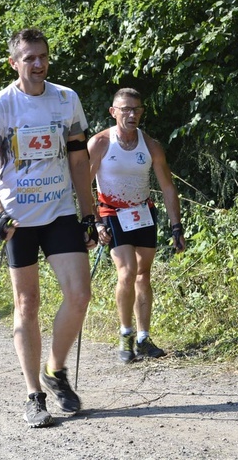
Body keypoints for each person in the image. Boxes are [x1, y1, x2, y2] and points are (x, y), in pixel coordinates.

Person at [0, 28, 97, 428]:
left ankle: (55, 370)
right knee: (27, 304)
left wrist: (88, 213)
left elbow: (80, 162)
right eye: (29, 58)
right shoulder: (0, 106)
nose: (38, 64)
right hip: (19, 218)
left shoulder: (66, 100)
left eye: (42, 56)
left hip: (61, 210)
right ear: (14, 63)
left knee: (79, 295)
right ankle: (34, 396)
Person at [88, 88, 186, 364]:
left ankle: (143, 338)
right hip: (112, 213)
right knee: (127, 271)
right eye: (126, 109)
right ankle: (125, 334)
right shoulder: (100, 143)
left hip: (142, 214)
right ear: (113, 111)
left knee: (143, 274)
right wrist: (94, 222)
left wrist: (176, 226)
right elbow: (83, 185)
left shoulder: (151, 145)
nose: (132, 115)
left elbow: (167, 186)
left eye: (137, 110)